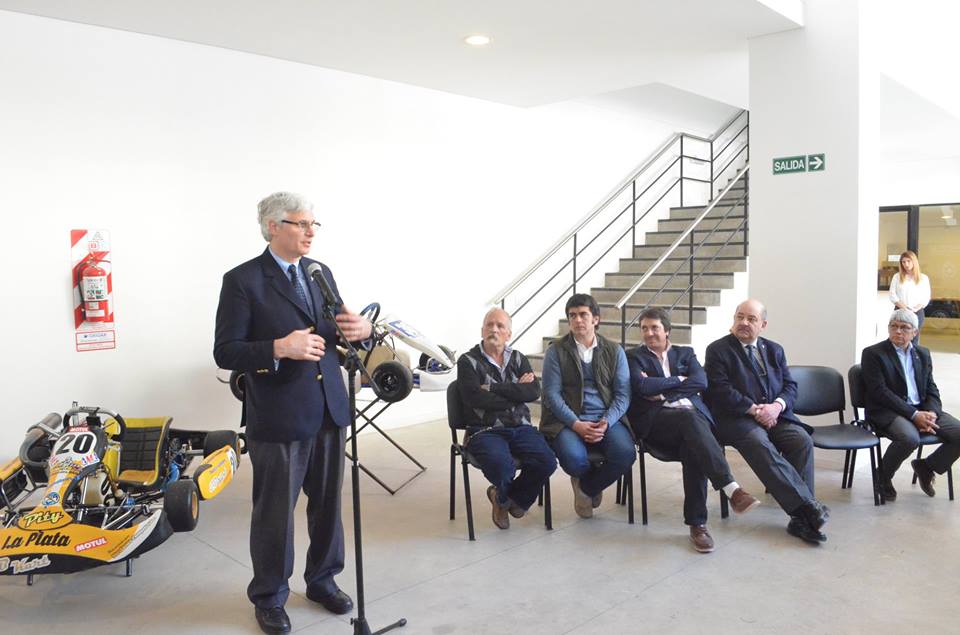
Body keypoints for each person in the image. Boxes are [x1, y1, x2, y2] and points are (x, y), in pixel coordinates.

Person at [214, 192, 372, 635]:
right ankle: (269, 597)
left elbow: (336, 329)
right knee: (275, 513)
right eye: (301, 224)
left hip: (328, 410)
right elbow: (225, 351)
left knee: (327, 506)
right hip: (279, 415)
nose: (310, 232)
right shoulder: (242, 280)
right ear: (272, 227)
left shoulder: (320, 273)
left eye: (313, 225)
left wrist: (362, 329)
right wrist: (279, 348)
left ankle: (322, 580)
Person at [627, 307, 760, 553]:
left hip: (693, 423)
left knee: (693, 443)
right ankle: (732, 490)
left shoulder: (685, 353)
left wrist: (662, 390)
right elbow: (642, 386)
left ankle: (698, 525)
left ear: (667, 331)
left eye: (654, 328)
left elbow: (701, 381)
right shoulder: (633, 357)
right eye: (644, 328)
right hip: (657, 424)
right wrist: (679, 380)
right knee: (690, 422)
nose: (648, 333)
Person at [704, 299, 830, 545]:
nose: (743, 323)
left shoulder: (774, 350)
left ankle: (801, 520)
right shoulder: (718, 350)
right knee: (758, 442)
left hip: (774, 415)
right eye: (739, 317)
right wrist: (754, 410)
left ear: (763, 324)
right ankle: (807, 510)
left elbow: (790, 386)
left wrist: (776, 407)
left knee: (801, 440)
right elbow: (720, 390)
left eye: (751, 319)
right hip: (737, 418)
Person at [456, 308, 557, 529]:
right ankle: (505, 499)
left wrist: (492, 388)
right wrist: (515, 394)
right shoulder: (467, 361)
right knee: (503, 468)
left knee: (547, 462)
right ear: (482, 330)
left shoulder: (518, 358)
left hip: (521, 427)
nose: (494, 329)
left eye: (500, 326)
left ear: (508, 334)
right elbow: (474, 398)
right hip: (484, 430)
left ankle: (508, 498)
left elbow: (532, 392)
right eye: (489, 324)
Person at [540, 293, 636, 518]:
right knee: (574, 459)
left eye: (583, 314)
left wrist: (606, 422)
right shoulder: (556, 351)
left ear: (596, 319)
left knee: (625, 454)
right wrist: (576, 424)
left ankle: (587, 487)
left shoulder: (615, 351)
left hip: (606, 418)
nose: (578, 320)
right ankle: (584, 476)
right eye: (572, 316)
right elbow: (551, 395)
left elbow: (623, 395)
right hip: (568, 420)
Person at [861, 309, 960, 501]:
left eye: (904, 328)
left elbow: (931, 387)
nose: (898, 332)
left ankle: (927, 467)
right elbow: (879, 392)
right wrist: (914, 415)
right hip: (888, 411)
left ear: (915, 332)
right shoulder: (873, 354)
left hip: (921, 408)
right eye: (894, 326)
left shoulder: (922, 354)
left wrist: (931, 412)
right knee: (909, 438)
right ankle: (882, 477)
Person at [888, 250, 931, 345]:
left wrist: (915, 309)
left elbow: (925, 297)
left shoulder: (923, 278)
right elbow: (892, 295)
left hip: (917, 312)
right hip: (900, 311)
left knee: (913, 339)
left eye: (908, 261)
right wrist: (905, 308)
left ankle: (913, 358)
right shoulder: (897, 277)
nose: (906, 264)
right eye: (903, 262)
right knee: (898, 337)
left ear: (914, 262)